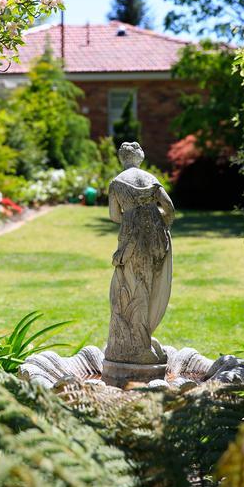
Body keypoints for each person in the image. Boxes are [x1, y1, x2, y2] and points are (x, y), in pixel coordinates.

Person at [104, 141, 174, 365]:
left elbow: (115, 216)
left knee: (132, 286)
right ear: (140, 156)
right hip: (155, 237)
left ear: (121, 158)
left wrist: (130, 212)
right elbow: (169, 208)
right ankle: (140, 341)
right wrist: (161, 222)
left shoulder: (116, 183)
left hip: (131, 238)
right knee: (148, 284)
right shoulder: (151, 179)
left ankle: (135, 343)